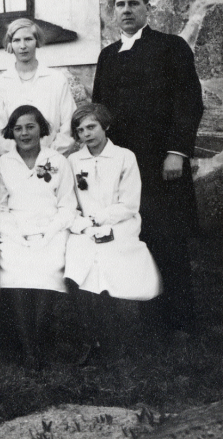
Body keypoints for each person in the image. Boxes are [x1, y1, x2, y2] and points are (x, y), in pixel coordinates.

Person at [92, 0, 203, 338]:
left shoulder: (171, 47)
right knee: (136, 238)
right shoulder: (108, 55)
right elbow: (100, 110)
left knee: (169, 239)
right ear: (113, 12)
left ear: (147, 9)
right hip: (124, 167)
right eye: (120, 5)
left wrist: (176, 152)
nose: (126, 10)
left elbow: (189, 102)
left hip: (161, 162)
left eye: (133, 4)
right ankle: (150, 320)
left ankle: (182, 321)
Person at [65, 103, 161, 364]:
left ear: (105, 126)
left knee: (113, 261)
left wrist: (101, 219)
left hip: (120, 224)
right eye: (80, 129)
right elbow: (69, 202)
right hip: (85, 228)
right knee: (78, 260)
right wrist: (83, 224)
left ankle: (117, 340)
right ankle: (90, 337)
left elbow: (129, 203)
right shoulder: (73, 161)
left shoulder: (124, 157)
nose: (86, 134)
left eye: (92, 126)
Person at [0, 105, 76, 368]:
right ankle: (28, 349)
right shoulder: (3, 163)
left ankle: (40, 339)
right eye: (18, 128)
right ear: (11, 132)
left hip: (50, 229)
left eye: (30, 126)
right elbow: (1, 206)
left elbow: (66, 204)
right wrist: (17, 235)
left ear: (41, 128)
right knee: (16, 269)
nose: (24, 133)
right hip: (15, 231)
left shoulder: (58, 161)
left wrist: (49, 233)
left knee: (48, 268)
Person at [0, 19, 77, 156]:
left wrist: (49, 156)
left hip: (51, 160)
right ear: (10, 44)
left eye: (28, 39)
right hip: (13, 162)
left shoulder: (57, 79)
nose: (23, 46)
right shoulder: (0, 83)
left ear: (37, 42)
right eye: (17, 40)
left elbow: (69, 124)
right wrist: (18, 157)